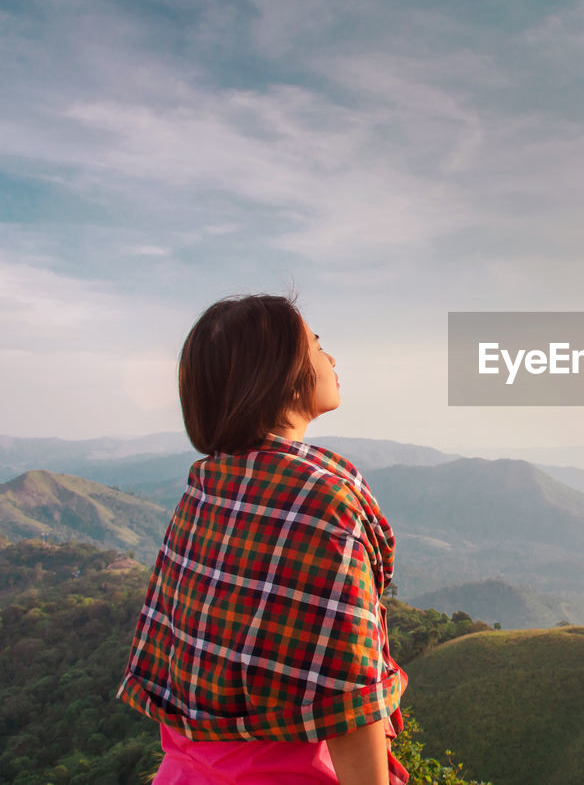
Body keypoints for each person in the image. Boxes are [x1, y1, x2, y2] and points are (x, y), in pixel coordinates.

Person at [118, 294, 408, 785]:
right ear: (279, 372)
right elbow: (347, 694)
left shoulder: (208, 485)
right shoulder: (320, 498)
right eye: (317, 345)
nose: (332, 358)